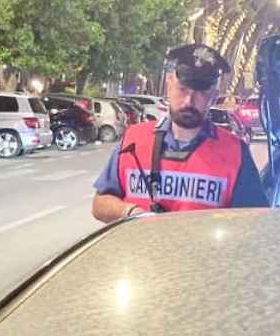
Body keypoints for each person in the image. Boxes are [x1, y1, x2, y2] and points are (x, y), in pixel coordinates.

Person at [92, 43, 267, 222]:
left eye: (201, 93)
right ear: (169, 83)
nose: (189, 101)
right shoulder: (133, 140)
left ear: (214, 95)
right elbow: (100, 204)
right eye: (182, 89)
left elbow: (254, 221)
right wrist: (130, 212)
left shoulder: (235, 152)